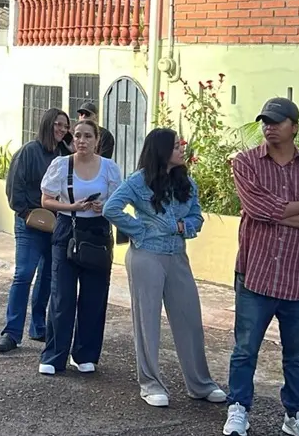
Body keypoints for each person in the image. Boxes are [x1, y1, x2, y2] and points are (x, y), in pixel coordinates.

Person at [222, 97, 299, 436]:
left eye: (277, 121)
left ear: (294, 127)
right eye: (265, 122)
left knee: (297, 355)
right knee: (245, 350)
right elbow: (257, 209)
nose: (269, 127)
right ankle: (238, 408)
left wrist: (277, 213)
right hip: (256, 274)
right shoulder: (246, 162)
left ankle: (296, 414)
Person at [103, 128, 224, 407]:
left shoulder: (186, 182)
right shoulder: (138, 181)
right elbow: (111, 208)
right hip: (146, 256)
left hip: (177, 256)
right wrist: (140, 231)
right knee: (148, 322)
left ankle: (200, 384)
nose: (182, 149)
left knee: (190, 319)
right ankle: (151, 384)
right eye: (176, 146)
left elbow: (197, 217)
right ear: (161, 150)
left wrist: (184, 226)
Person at [37, 119, 122, 376]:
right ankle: (54, 355)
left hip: (97, 232)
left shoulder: (109, 168)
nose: (81, 141)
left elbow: (117, 201)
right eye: (77, 136)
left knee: (94, 296)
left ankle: (85, 354)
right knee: (62, 296)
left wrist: (103, 207)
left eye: (87, 136)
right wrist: (72, 207)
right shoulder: (61, 165)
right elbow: (46, 200)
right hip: (67, 228)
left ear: (97, 140)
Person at [0, 108, 70, 353]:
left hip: (56, 224)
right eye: (58, 124)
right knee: (24, 274)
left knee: (48, 276)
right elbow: (14, 187)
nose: (62, 129)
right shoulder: (29, 151)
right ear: (47, 124)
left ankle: (38, 326)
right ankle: (11, 333)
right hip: (30, 223)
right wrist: (27, 212)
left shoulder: (65, 154)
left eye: (65, 126)